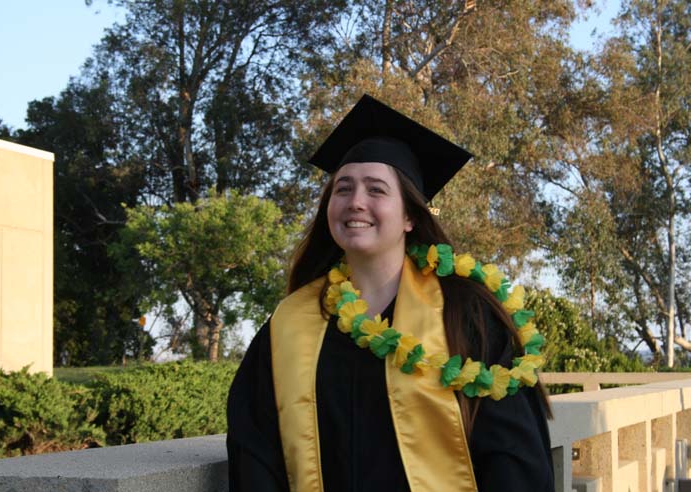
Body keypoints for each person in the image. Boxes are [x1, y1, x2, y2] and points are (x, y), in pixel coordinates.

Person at [226, 94, 554, 492]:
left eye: (376, 190)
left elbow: (513, 456)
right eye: (342, 189)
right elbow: (255, 451)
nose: (356, 202)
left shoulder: (465, 312)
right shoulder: (290, 323)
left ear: (410, 216)